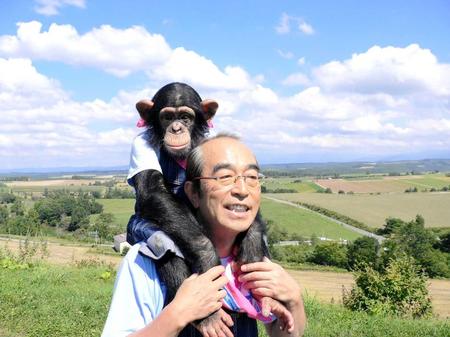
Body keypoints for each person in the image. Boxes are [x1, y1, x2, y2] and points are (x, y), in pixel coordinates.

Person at [102, 135, 306, 337]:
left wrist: (294, 299)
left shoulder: (253, 257)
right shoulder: (149, 261)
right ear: (193, 193)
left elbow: (283, 332)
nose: (242, 190)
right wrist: (178, 313)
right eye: (225, 176)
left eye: (252, 177)